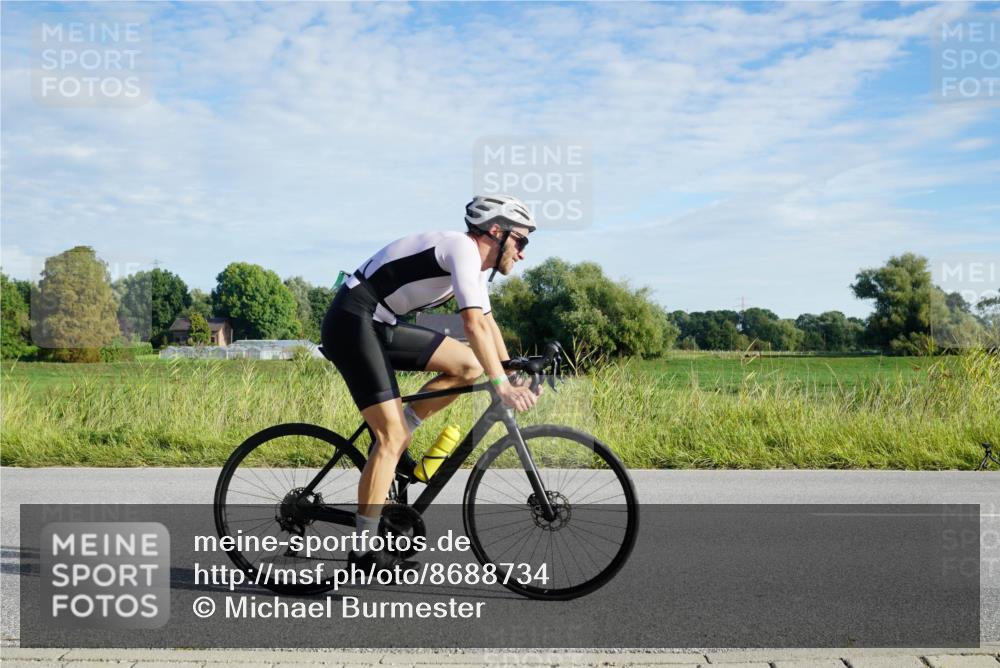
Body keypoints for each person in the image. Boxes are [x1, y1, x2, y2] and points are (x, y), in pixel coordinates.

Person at [321, 194, 541, 572]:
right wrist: (501, 384)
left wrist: (512, 373)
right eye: (521, 241)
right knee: (390, 439)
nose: (522, 252)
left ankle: (401, 429)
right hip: (352, 320)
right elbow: (471, 325)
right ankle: (363, 552)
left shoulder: (471, 266)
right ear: (496, 231)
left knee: (469, 367)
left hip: (381, 322)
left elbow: (488, 325)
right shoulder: (462, 249)